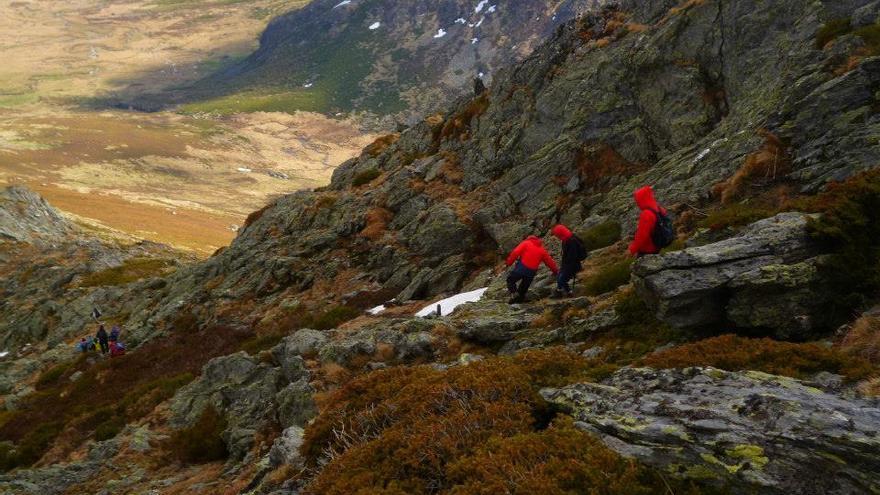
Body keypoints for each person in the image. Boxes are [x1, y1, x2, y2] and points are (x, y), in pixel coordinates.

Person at [505, 235, 559, 304]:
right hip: (531, 272)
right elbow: (549, 262)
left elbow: (515, 252)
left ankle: (514, 294)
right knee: (523, 288)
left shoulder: (525, 243)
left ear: (528, 238)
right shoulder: (542, 250)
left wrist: (509, 263)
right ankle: (519, 300)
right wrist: (556, 271)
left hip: (522, 268)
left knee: (510, 280)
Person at [628, 185, 669, 257]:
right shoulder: (659, 209)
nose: (637, 203)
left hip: (647, 250)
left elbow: (642, 235)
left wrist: (632, 249)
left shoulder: (646, 214)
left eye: (637, 200)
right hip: (657, 247)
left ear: (642, 199)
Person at [551, 224, 587, 298]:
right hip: (567, 264)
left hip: (572, 265)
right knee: (559, 277)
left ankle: (560, 292)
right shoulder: (566, 239)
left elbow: (572, 256)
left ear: (560, 233)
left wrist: (566, 266)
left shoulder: (571, 241)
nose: (557, 237)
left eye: (557, 235)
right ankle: (568, 292)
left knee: (561, 279)